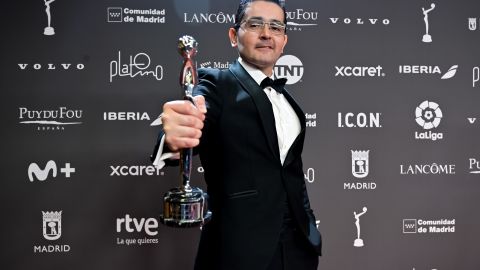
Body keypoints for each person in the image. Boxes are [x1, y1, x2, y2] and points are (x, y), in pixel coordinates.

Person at [151, 1, 322, 269]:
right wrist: (174, 140)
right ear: (234, 36)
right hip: (237, 251)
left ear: (284, 40)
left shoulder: (288, 101)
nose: (267, 33)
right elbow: (191, 121)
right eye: (255, 25)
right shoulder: (216, 84)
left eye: (276, 27)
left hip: (299, 248)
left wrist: (309, 227)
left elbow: (291, 173)